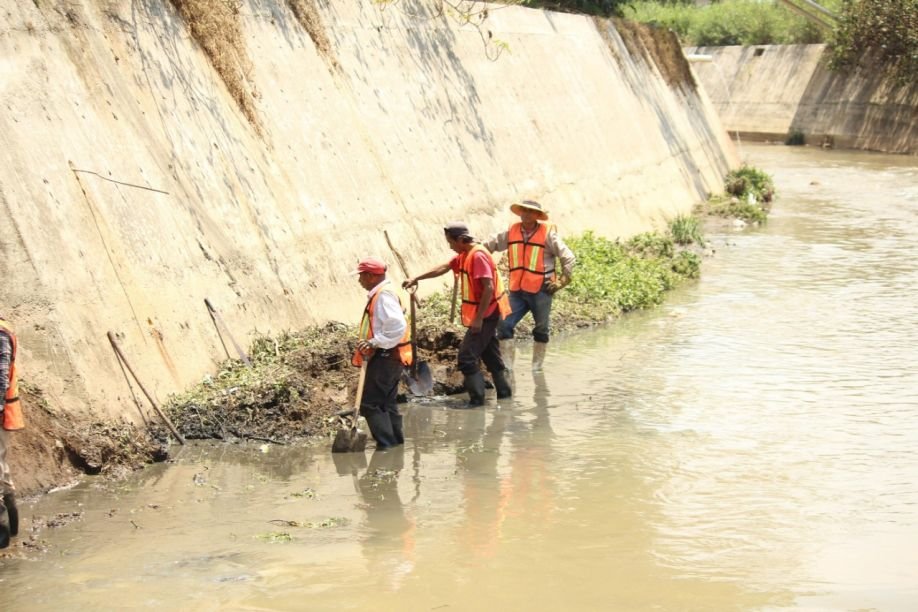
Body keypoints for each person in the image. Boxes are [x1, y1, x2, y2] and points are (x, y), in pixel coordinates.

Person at [403, 222, 512, 406]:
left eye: (451, 242)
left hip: (486, 314)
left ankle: (477, 403)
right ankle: (505, 397)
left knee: (467, 358)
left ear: (461, 240)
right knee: (491, 356)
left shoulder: (478, 256)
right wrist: (416, 278)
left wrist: (478, 319)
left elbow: (488, 288)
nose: (450, 247)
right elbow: (444, 267)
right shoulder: (465, 255)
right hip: (484, 314)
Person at [482, 200, 575, 372]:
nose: (526, 214)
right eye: (524, 211)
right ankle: (508, 368)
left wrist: (562, 281)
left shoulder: (548, 235)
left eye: (531, 212)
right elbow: (490, 245)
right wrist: (476, 252)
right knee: (504, 324)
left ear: (538, 216)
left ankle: (536, 369)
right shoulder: (512, 231)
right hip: (517, 290)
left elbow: (568, 257)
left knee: (541, 329)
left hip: (541, 290)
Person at [352, 257, 413, 450]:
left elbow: (397, 326)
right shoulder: (384, 292)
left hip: (386, 356)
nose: (359, 280)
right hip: (392, 356)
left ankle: (386, 446)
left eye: (361, 276)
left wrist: (374, 342)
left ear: (370, 276)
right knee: (387, 402)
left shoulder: (383, 296)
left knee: (370, 403)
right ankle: (396, 443)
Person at [0, 315, 24, 549]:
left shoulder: (1, 335)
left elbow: (2, 375)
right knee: (3, 475)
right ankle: (12, 535)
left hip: (1, 413)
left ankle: (4, 540)